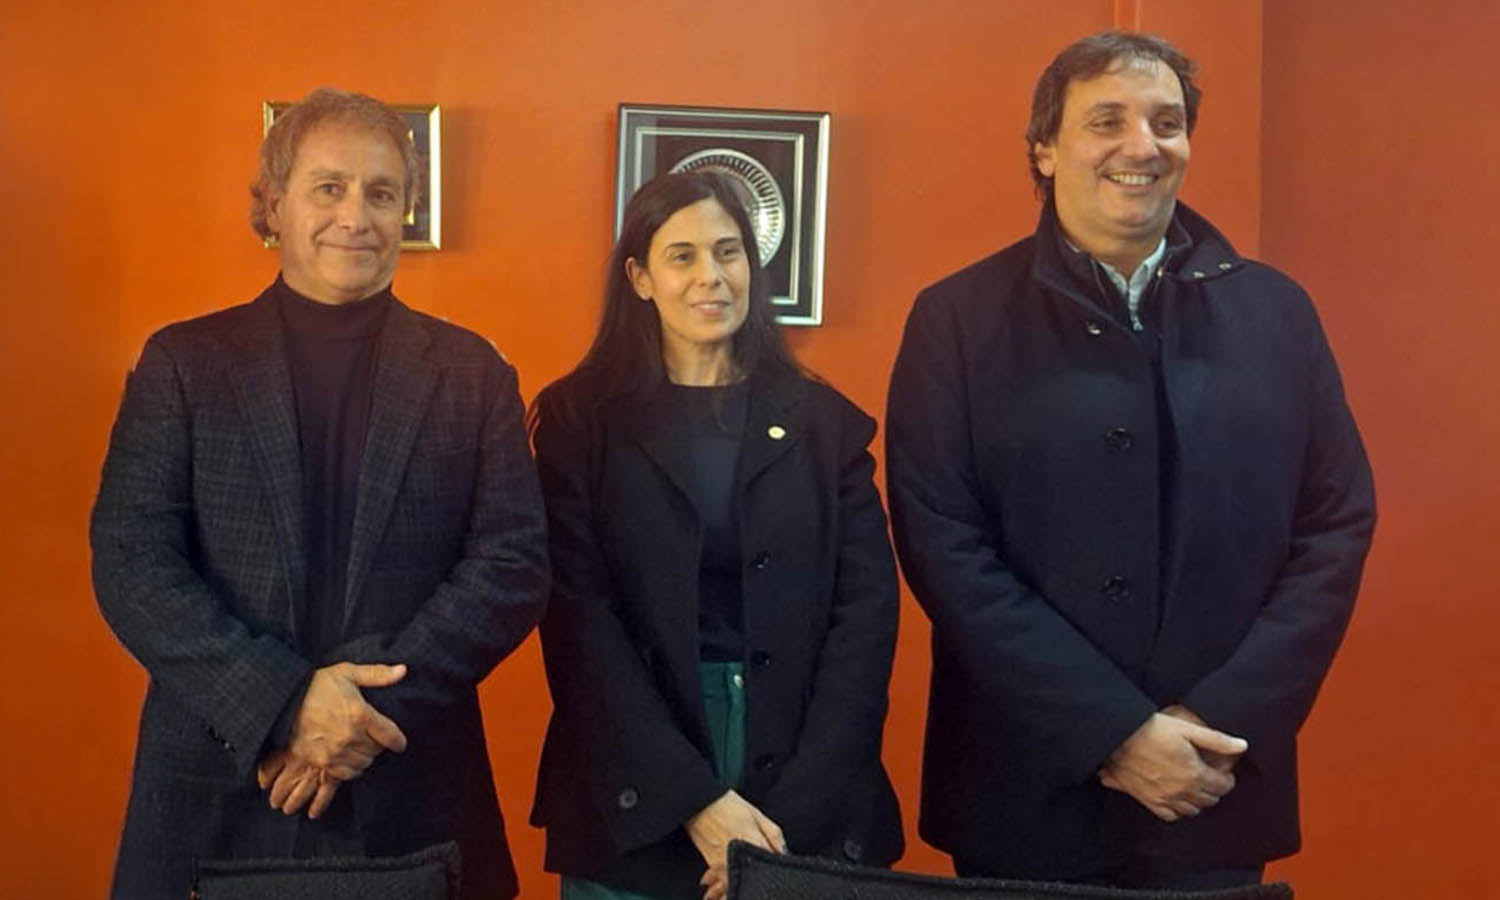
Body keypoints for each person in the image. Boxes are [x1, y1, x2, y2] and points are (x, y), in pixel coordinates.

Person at [886, 31, 1376, 891]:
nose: (1142, 146)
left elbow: (1334, 526)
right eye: (1106, 121)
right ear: (1045, 148)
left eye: (1167, 122)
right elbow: (943, 544)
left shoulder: (1277, 314)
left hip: (1212, 782)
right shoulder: (956, 320)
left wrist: (1219, 719)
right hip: (1024, 792)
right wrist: (1110, 732)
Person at [90, 87, 549, 899]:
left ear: (406, 210)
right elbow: (132, 561)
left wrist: (363, 717)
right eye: (328, 187)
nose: (355, 217)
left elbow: (512, 564)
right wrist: (287, 703)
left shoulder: (473, 372)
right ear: (273, 204)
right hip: (218, 783)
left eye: (382, 193)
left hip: (412, 781)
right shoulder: (184, 364)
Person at [529, 171, 903, 900]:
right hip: (636, 778)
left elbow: (866, 616)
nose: (712, 275)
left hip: (807, 777)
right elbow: (578, 624)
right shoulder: (579, 424)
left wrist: (786, 825)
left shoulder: (825, 424)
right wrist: (693, 800)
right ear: (640, 279)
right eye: (683, 256)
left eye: (729, 252)